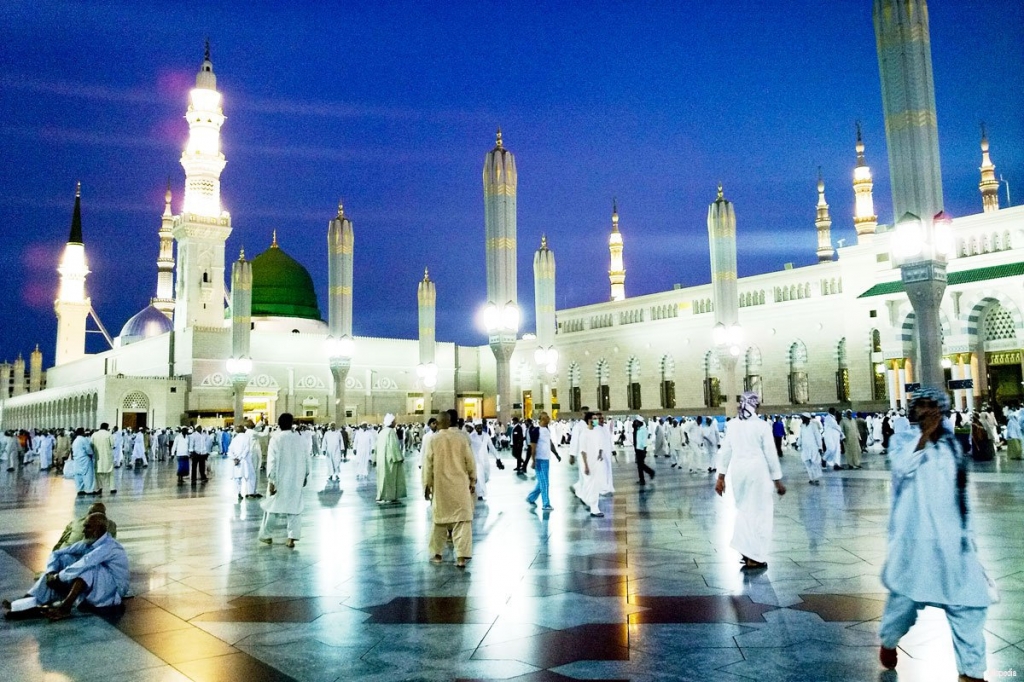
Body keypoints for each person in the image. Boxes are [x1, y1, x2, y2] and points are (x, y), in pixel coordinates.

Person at [878, 387, 992, 682]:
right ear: (914, 412)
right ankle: (889, 641)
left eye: (933, 406)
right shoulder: (903, 440)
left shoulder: (953, 446)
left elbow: (961, 493)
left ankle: (972, 671)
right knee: (901, 605)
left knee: (969, 604)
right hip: (915, 541)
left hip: (952, 541)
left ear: (942, 411)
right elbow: (902, 467)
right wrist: (924, 437)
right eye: (922, 406)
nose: (928, 411)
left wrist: (968, 535)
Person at [3, 512, 128, 621]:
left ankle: (65, 607)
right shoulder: (88, 542)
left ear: (99, 530)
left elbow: (86, 562)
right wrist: (52, 572)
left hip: (113, 590)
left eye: (87, 527)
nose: (83, 530)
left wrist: (58, 578)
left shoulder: (109, 546)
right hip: (95, 586)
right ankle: (27, 602)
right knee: (65, 558)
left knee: (89, 567)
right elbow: (57, 553)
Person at [714, 392, 786, 570]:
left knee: (744, 510)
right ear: (755, 406)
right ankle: (754, 557)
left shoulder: (732, 425)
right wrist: (777, 480)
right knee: (760, 513)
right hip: (757, 471)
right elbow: (770, 453)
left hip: (738, 472)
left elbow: (725, 451)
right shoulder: (761, 426)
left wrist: (720, 477)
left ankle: (746, 552)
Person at [423, 410, 476, 568]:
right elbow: (470, 461)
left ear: (438, 424)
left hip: (441, 487)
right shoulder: (461, 438)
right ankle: (460, 558)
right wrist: (473, 479)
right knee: (462, 521)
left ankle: (438, 555)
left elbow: (427, 465)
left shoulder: (433, 440)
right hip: (460, 485)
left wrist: (427, 485)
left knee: (439, 521)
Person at [259, 413, 311, 549]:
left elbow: (272, 461)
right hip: (296, 479)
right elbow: (307, 458)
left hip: (280, 480)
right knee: (294, 507)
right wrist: (305, 475)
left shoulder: (276, 439)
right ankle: (291, 538)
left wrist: (271, 480)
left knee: (272, 508)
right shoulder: (300, 439)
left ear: (279, 424)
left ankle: (267, 535)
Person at [575, 412, 607, 517]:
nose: (596, 420)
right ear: (589, 420)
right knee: (590, 485)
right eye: (594, 418)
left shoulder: (597, 432)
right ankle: (589, 503)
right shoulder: (584, 433)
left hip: (596, 462)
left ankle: (594, 508)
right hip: (588, 462)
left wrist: (600, 453)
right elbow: (583, 451)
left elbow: (600, 444)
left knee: (595, 485)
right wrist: (586, 465)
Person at [526, 411, 559, 510]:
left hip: (546, 460)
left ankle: (531, 497)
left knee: (541, 482)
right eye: (547, 417)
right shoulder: (536, 430)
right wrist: (533, 460)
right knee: (544, 482)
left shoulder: (547, 430)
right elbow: (533, 447)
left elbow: (550, 444)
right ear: (542, 418)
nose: (549, 418)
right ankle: (546, 504)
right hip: (539, 460)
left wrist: (556, 454)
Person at [54, 503, 118, 550]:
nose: (83, 530)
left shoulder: (75, 522)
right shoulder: (111, 525)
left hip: (64, 552)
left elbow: (61, 541)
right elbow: (111, 543)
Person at [375, 414, 407, 504]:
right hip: (390, 460)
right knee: (389, 478)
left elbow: (376, 446)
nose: (395, 423)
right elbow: (394, 446)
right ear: (391, 422)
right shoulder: (391, 432)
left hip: (381, 459)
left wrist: (374, 459)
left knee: (382, 478)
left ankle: (382, 495)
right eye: (394, 421)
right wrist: (399, 457)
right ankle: (388, 496)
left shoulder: (382, 432)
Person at [229, 423, 258, 501]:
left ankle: (238, 493)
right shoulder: (246, 437)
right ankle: (250, 492)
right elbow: (247, 449)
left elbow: (230, 450)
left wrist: (235, 458)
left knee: (238, 478)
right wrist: (240, 458)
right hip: (245, 461)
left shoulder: (234, 439)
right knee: (250, 476)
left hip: (236, 462)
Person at [797, 413, 824, 485]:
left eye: (803, 418)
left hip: (813, 447)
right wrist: (798, 444)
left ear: (807, 418)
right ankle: (811, 478)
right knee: (807, 462)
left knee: (815, 463)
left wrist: (820, 447)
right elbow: (801, 436)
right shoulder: (802, 426)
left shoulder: (813, 426)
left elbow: (818, 436)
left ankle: (816, 478)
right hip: (805, 447)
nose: (802, 419)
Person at [71, 427, 97, 496]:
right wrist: (92, 454)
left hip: (77, 460)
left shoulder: (75, 440)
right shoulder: (83, 440)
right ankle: (89, 490)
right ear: (82, 432)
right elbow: (88, 450)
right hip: (85, 460)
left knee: (78, 476)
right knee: (88, 475)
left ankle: (80, 489)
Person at [91, 423, 115, 495]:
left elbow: (91, 445)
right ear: (107, 427)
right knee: (110, 473)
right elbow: (112, 445)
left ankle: (99, 488)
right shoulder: (109, 434)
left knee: (98, 474)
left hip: (97, 457)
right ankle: (112, 488)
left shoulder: (94, 434)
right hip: (107, 456)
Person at [632, 419, 655, 485]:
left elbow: (644, 441)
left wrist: (644, 451)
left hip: (641, 450)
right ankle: (643, 479)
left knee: (640, 465)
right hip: (637, 449)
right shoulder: (638, 429)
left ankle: (650, 473)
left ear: (639, 422)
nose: (635, 423)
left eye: (636, 422)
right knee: (640, 465)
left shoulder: (643, 430)